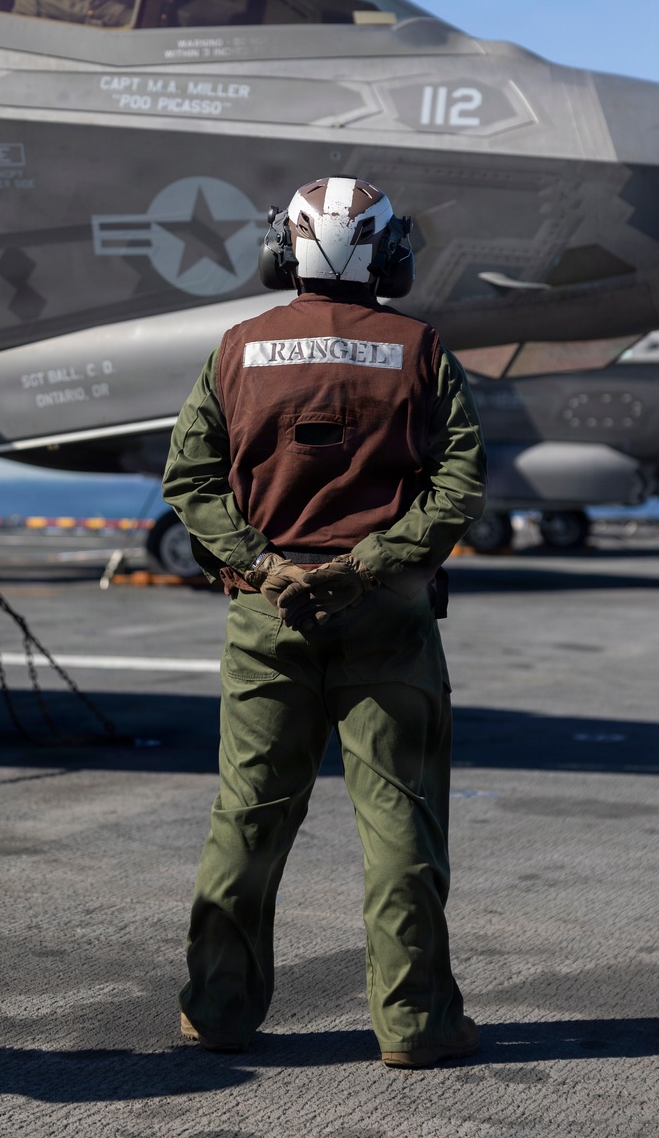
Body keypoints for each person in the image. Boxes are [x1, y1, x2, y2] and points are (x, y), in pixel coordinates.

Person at [162, 175, 487, 1068]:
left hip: (267, 619)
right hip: (388, 622)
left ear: (286, 248)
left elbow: (188, 483)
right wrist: (371, 563)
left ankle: (217, 1011)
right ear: (383, 253)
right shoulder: (420, 349)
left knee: (248, 819)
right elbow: (459, 484)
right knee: (401, 825)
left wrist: (264, 564)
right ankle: (415, 1024)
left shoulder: (235, 349)